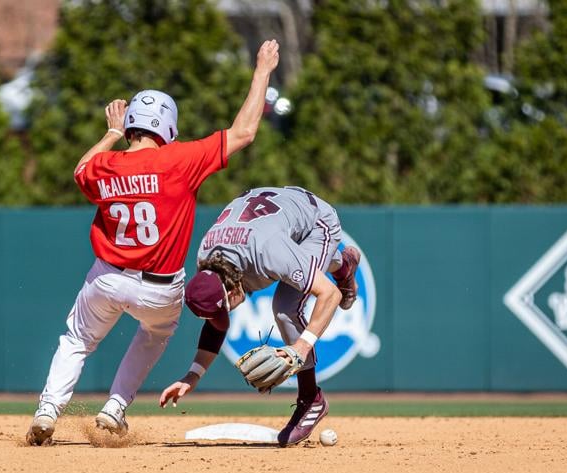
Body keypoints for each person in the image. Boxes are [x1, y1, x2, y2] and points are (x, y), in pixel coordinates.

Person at [26, 40, 281, 445]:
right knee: (154, 335)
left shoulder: (107, 165)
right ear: (167, 128)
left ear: (131, 126)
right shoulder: (179, 160)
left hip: (107, 278)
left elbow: (81, 169)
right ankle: (114, 407)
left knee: (76, 341)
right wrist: (262, 70)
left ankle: (46, 410)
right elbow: (244, 132)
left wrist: (110, 133)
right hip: (160, 289)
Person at [159, 186, 361, 446]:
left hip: (314, 222)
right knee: (294, 267)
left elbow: (330, 295)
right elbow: (216, 324)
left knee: (285, 308)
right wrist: (192, 375)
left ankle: (311, 398)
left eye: (224, 306)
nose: (225, 314)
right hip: (272, 219)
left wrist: (300, 347)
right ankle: (342, 264)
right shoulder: (207, 260)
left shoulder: (268, 252)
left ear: (231, 288)